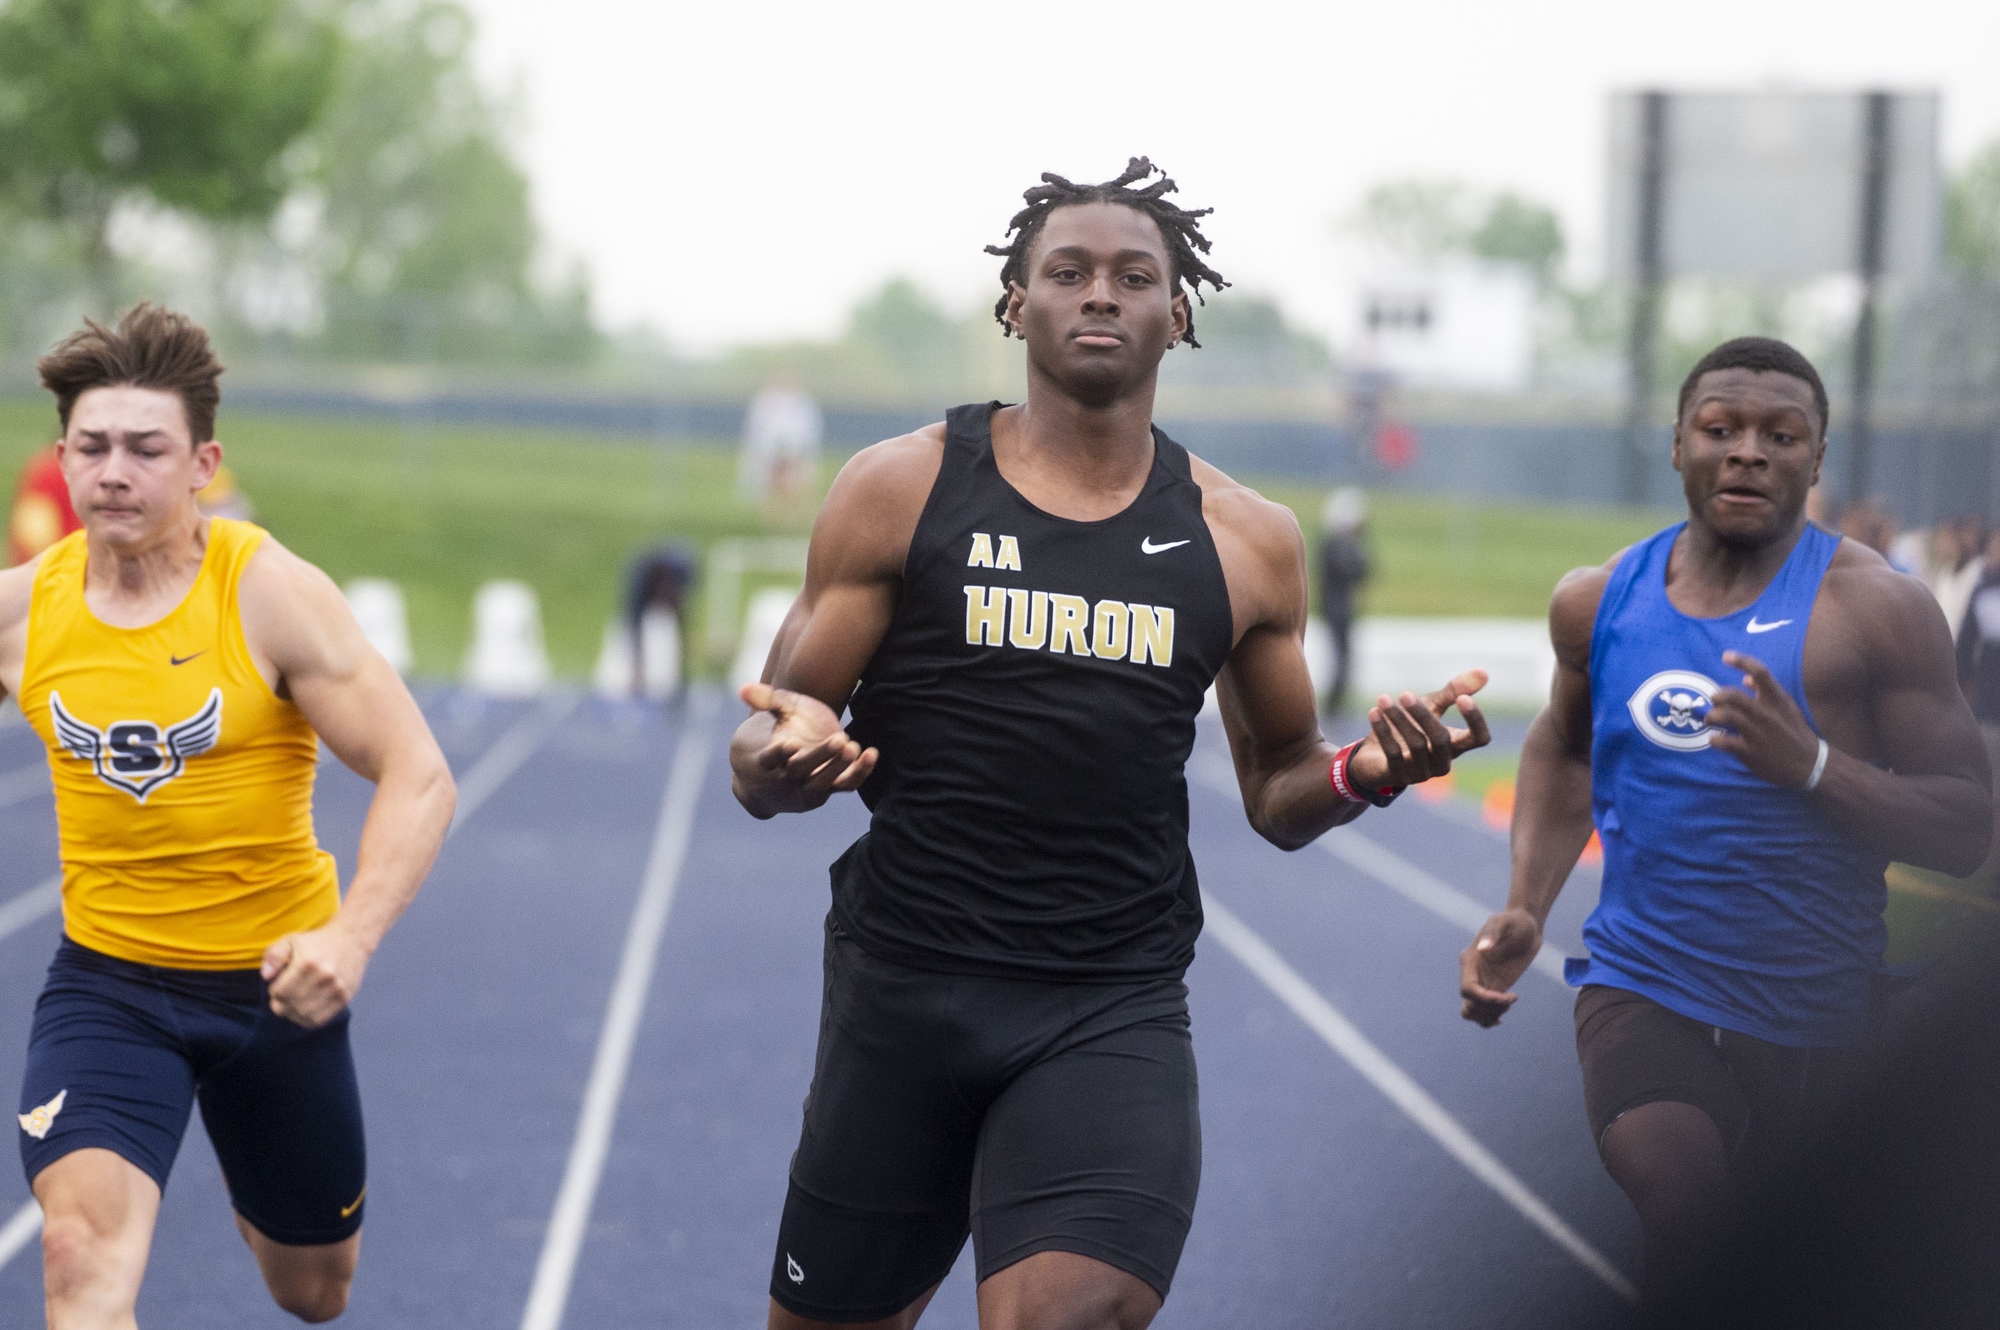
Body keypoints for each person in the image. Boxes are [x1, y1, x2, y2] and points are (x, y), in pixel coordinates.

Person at [730, 158, 1491, 1330]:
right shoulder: (898, 489)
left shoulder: (1245, 541)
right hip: (905, 987)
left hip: (1107, 1001)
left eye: (1134, 277)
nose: (1100, 295)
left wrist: (1361, 773)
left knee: (1069, 1315)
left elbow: (1281, 788)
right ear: (1014, 306)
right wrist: (780, 760)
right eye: (1068, 272)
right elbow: (767, 740)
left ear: (1174, 315)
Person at [1455, 336, 1992, 1312]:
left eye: (1776, 434)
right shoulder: (1594, 600)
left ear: (1815, 459)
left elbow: (1963, 828)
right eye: (1720, 428)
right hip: (1639, 981)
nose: (1746, 451)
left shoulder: (1876, 610)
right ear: (1675, 446)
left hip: (1819, 1006)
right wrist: (1524, 903)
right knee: (1686, 1200)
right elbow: (1565, 748)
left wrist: (1813, 768)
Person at [1, 305, 456, 1326]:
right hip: (106, 985)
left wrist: (351, 935)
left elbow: (419, 773)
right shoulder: (26, 609)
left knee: (313, 1288)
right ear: (63, 458)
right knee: (76, 1257)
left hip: (272, 988)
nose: (114, 470)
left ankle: (257, 1172)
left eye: (145, 448)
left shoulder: (269, 594)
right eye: (92, 446)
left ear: (203, 461)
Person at [1316, 487, 1370, 713]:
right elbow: (1349, 571)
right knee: (1340, 659)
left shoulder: (1342, 545)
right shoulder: (1333, 546)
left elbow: (1364, 572)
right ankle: (1332, 707)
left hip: (1343, 608)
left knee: (1346, 659)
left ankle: (1337, 704)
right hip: (1336, 609)